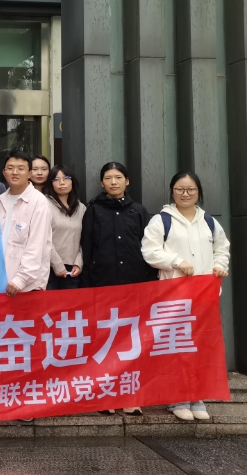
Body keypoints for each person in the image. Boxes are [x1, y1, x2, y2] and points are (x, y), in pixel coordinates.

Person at [141, 172, 230, 422]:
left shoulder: (209, 221)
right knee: (177, 348)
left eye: (191, 189)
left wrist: (219, 266)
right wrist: (176, 261)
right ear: (172, 192)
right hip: (174, 296)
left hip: (204, 296)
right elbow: (149, 250)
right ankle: (177, 399)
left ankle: (197, 397)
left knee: (200, 347)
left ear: (198, 192)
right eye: (180, 189)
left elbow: (222, 248)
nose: (185, 194)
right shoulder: (162, 220)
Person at [80, 161, 156, 417]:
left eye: (118, 177)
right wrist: (88, 284)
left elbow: (148, 249)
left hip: (134, 285)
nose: (114, 182)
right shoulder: (93, 211)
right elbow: (87, 248)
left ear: (127, 181)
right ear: (102, 183)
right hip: (103, 284)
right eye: (108, 178)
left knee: (131, 341)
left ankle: (130, 396)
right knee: (105, 341)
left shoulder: (139, 211)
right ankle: (105, 395)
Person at [0, 150, 52, 297]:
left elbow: (36, 246)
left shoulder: (39, 202)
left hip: (27, 286)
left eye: (21, 168)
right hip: (2, 280)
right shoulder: (1, 199)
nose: (15, 172)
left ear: (29, 173)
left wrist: (20, 280)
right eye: (10, 168)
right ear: (4, 172)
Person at [42, 165, 85, 290]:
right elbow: (43, 238)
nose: (62, 182)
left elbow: (85, 239)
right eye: (56, 179)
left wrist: (78, 263)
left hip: (73, 270)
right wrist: (58, 265)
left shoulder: (81, 208)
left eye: (66, 178)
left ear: (72, 181)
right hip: (48, 269)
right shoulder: (44, 204)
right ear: (50, 183)